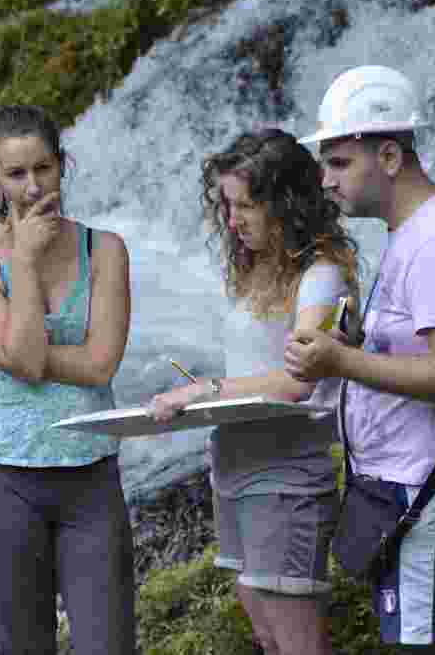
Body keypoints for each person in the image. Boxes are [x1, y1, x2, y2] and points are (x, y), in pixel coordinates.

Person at [283, 66, 435, 655]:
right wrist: (356, 344)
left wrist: (339, 360)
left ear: (388, 155)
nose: (325, 181)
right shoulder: (412, 232)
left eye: (338, 164)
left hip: (428, 485)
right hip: (407, 483)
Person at [147, 128, 360, 655]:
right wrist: (205, 393)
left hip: (285, 474)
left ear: (286, 203)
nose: (233, 219)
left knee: (296, 641)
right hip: (236, 469)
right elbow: (258, 363)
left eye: (245, 205)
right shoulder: (256, 267)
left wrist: (210, 390)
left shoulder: (323, 275)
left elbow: (298, 377)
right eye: (226, 205)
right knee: (265, 629)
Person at [0, 104, 134, 655]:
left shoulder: (105, 249)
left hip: (90, 480)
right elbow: (30, 363)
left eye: (43, 168)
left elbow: (101, 364)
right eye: (15, 174)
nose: (32, 187)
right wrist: (24, 262)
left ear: (62, 166)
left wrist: (13, 347)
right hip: (1, 480)